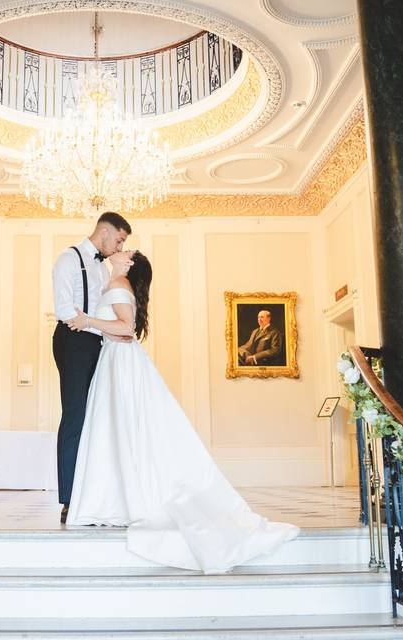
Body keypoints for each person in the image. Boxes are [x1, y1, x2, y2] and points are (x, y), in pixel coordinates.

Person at [63, 251, 299, 573]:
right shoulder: (113, 282)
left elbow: (126, 328)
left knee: (121, 429)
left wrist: (87, 320)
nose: (119, 251)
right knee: (119, 430)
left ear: (129, 265)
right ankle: (118, 496)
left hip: (120, 359)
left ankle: (121, 499)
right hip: (115, 360)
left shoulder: (118, 283)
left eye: (125, 252)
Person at [52, 211, 131, 524]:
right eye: (120, 239)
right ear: (105, 231)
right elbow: (65, 311)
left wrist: (112, 333)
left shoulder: (103, 268)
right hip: (73, 341)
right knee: (75, 417)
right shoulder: (69, 259)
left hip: (98, 343)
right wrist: (107, 330)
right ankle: (69, 499)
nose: (120, 246)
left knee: (96, 418)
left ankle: (93, 493)